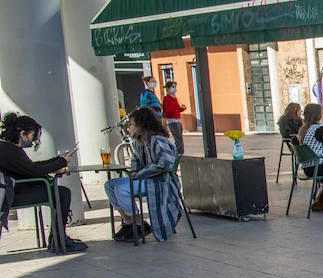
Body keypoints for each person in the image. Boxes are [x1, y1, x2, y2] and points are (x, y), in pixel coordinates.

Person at [0, 112, 86, 253]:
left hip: (12, 192)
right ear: (22, 134)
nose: (33, 141)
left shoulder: (7, 148)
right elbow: (34, 171)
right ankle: (58, 239)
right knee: (62, 193)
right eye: (32, 136)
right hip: (11, 196)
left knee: (59, 192)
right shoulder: (12, 151)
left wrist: (56, 161)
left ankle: (57, 238)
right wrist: (61, 162)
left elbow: (30, 167)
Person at [103, 107, 182, 243]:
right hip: (144, 179)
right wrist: (134, 171)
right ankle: (130, 222)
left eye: (132, 124)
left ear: (142, 125)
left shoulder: (158, 141)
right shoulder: (139, 143)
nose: (129, 128)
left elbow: (166, 163)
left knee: (121, 190)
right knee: (110, 185)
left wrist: (141, 173)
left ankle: (138, 223)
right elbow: (135, 161)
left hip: (159, 180)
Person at [161, 82, 185, 154]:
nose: (174, 89)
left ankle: (180, 152)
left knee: (180, 137)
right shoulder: (167, 98)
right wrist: (174, 107)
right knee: (178, 138)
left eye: (175, 87)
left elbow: (177, 110)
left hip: (177, 119)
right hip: (171, 121)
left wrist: (181, 108)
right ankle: (178, 153)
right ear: (168, 88)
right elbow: (166, 111)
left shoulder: (175, 98)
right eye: (173, 87)